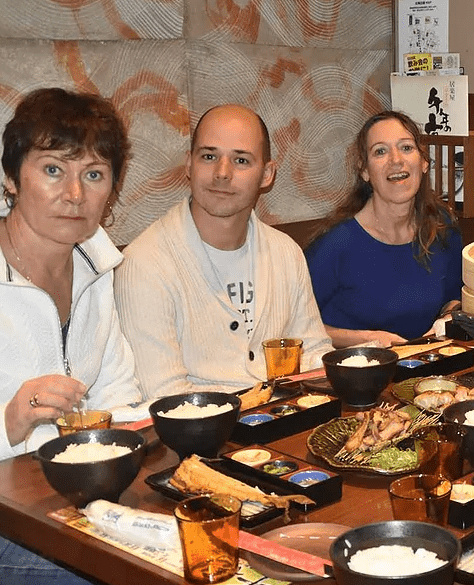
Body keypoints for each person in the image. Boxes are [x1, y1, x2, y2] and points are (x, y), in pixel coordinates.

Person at [0, 87, 143, 583]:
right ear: (11, 178)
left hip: (70, 497)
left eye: (93, 175)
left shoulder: (96, 265)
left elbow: (119, 391)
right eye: (53, 169)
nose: (75, 195)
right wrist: (9, 420)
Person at [114, 104, 334, 398]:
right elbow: (164, 395)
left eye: (241, 160)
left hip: (284, 422)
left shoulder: (286, 253)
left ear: (267, 174)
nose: (222, 173)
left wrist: (353, 370)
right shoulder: (144, 264)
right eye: (209, 156)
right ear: (189, 166)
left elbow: (313, 352)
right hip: (199, 437)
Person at [306, 111, 462, 348]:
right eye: (380, 151)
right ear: (364, 171)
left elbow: (454, 296)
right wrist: (369, 339)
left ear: (424, 163)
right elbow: (296, 328)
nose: (396, 160)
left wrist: (450, 316)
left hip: (425, 373)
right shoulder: (335, 245)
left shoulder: (441, 225)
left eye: (407, 148)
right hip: (354, 376)